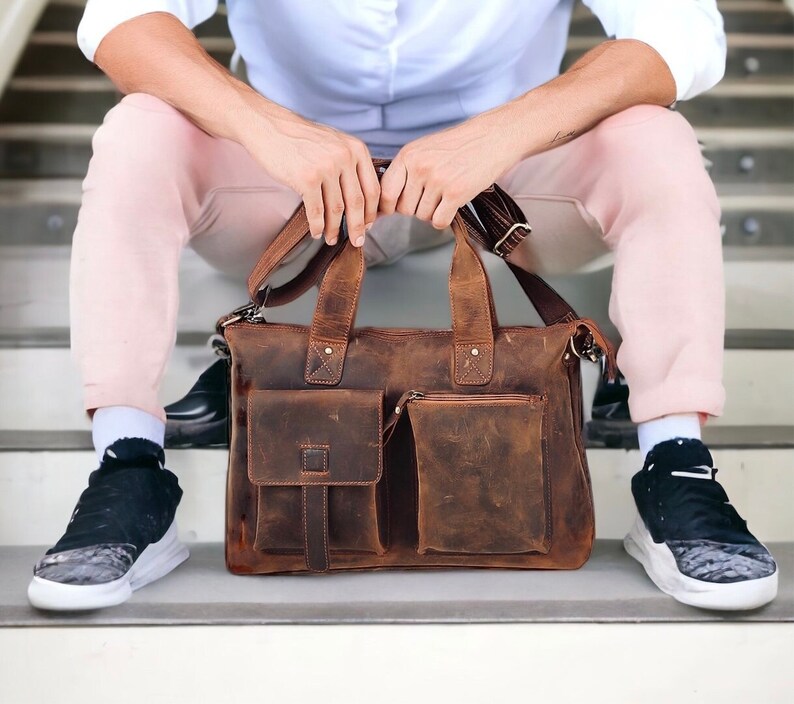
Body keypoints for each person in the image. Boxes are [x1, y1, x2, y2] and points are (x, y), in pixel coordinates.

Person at [27, 0, 778, 612]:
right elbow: (121, 20)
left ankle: (676, 463)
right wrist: (272, 129)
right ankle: (128, 465)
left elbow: (682, 31)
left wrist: (498, 132)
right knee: (139, 130)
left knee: (655, 139)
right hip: (293, 190)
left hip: (504, 186)